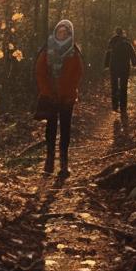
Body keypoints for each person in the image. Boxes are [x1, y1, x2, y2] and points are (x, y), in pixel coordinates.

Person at [35, 19, 84, 178]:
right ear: (55, 32)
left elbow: (77, 75)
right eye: (59, 32)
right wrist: (47, 91)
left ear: (70, 34)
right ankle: (49, 161)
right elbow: (40, 72)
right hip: (50, 96)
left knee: (65, 128)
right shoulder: (46, 49)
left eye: (65, 32)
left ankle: (64, 163)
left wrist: (68, 93)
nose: (61, 34)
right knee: (50, 128)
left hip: (67, 97)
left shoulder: (74, 52)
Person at [104, 27, 136, 128]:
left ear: (115, 33)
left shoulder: (112, 42)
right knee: (123, 87)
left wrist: (106, 65)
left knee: (114, 86)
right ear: (123, 33)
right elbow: (132, 54)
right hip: (124, 67)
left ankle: (115, 106)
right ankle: (123, 107)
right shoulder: (127, 43)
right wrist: (135, 63)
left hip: (113, 67)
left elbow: (108, 53)